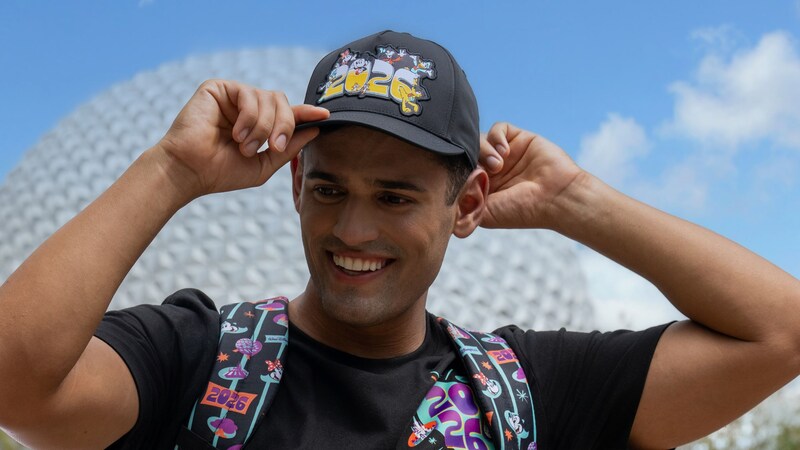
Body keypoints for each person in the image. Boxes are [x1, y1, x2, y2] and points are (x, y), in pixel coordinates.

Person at [0, 30, 798, 450]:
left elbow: (781, 330)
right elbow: (16, 385)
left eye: (395, 196)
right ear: (293, 185)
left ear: (466, 202)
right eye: (329, 188)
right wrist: (172, 169)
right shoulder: (197, 359)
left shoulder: (530, 390)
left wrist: (578, 200)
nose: (353, 229)